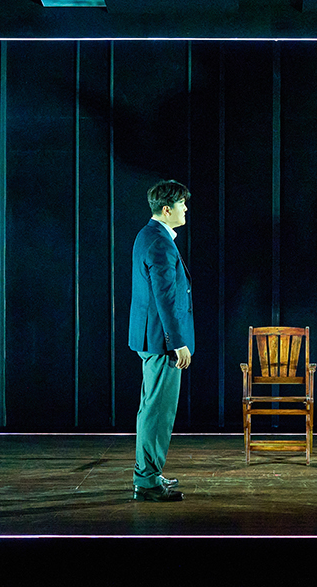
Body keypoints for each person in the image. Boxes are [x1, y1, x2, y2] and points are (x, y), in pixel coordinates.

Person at [128, 180, 194, 502]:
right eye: (182, 204)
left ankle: (148, 474)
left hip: (151, 337)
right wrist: (177, 341)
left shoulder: (148, 235)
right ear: (167, 209)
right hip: (161, 341)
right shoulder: (159, 242)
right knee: (157, 412)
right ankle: (147, 481)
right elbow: (164, 298)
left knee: (151, 409)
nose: (186, 209)